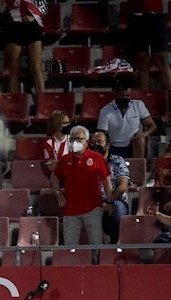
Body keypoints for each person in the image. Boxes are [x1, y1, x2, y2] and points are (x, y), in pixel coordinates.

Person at [51, 125, 112, 260]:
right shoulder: (65, 159)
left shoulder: (97, 158)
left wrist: (109, 201)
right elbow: (54, 177)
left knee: (96, 246)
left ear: (86, 141)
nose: (75, 142)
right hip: (70, 211)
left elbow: (107, 182)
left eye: (79, 139)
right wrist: (58, 193)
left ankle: (97, 272)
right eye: (72, 139)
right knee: (70, 248)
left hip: (93, 208)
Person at [0, 0, 46, 96]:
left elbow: (44, 6)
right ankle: (15, 103)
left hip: (32, 27)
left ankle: (42, 102)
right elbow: (0, 10)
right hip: (14, 27)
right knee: (14, 67)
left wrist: (33, 17)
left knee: (36, 67)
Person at [124, 0, 171, 95]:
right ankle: (145, 96)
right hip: (137, 16)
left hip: (156, 15)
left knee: (162, 57)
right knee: (142, 60)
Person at [90, 131, 131, 244]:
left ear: (107, 145)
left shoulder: (118, 161)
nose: (95, 144)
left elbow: (122, 186)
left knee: (117, 207)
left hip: (115, 201)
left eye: (99, 142)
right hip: (93, 203)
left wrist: (109, 202)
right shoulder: (86, 162)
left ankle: (113, 246)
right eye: (93, 142)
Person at [96, 82, 157, 159]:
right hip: (114, 147)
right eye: (122, 95)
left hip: (133, 146)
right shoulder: (105, 111)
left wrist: (144, 134)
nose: (125, 98)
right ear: (116, 93)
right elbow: (102, 134)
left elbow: (152, 126)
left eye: (128, 95)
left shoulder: (138, 105)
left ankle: (137, 168)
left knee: (140, 140)